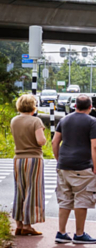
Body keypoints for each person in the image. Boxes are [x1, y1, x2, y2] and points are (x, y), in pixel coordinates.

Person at [51, 94, 96, 244]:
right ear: (90, 107)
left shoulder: (64, 120)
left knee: (65, 199)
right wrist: (95, 167)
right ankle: (79, 234)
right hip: (82, 166)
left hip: (64, 166)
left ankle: (61, 233)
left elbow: (55, 142)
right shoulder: (92, 121)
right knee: (82, 199)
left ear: (75, 106)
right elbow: (95, 146)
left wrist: (59, 159)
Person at [11, 94, 47, 236]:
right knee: (32, 191)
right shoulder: (36, 121)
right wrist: (43, 136)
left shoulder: (14, 120)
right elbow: (41, 141)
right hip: (33, 158)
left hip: (18, 159)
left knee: (20, 190)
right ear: (33, 106)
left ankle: (18, 225)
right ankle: (28, 225)